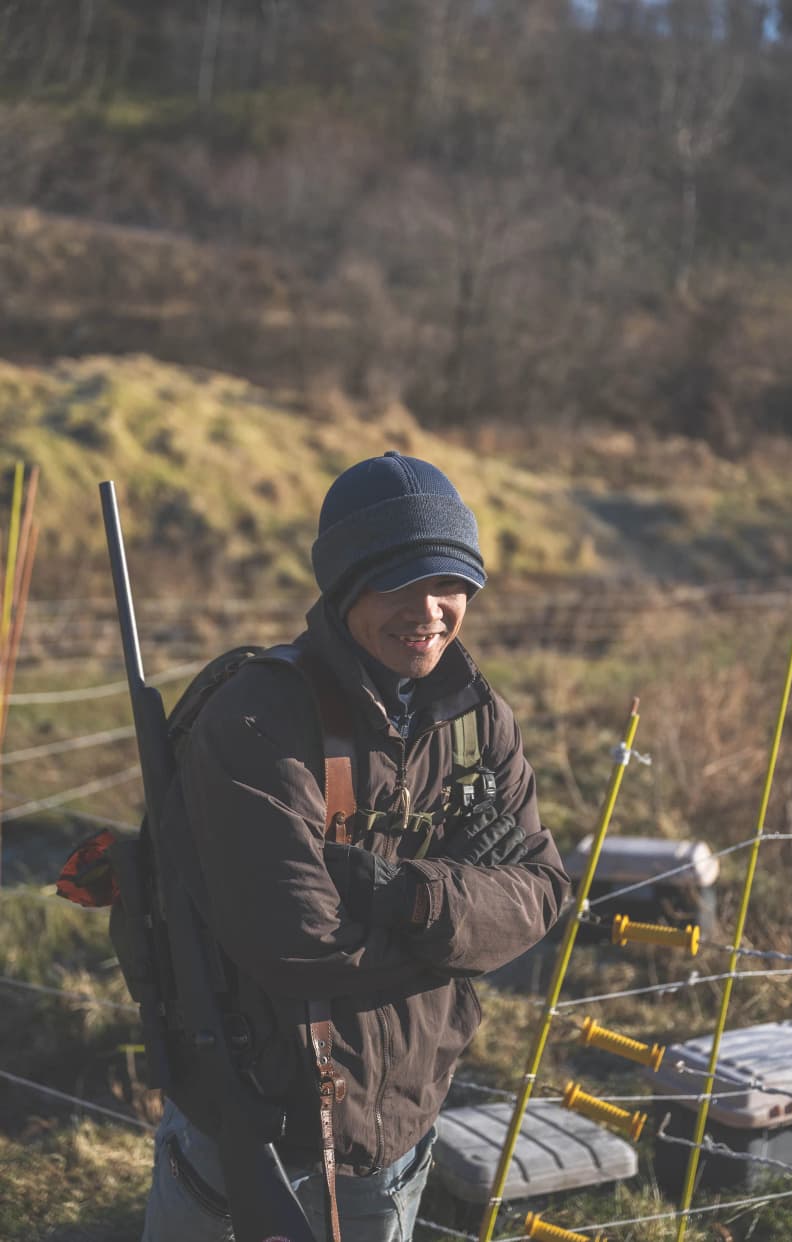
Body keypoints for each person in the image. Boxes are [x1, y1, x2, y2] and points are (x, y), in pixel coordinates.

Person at [141, 449, 570, 1242]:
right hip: (251, 1136)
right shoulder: (259, 720)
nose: (430, 609)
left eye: (451, 582)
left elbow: (544, 891)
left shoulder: (478, 722)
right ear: (341, 589)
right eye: (397, 581)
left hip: (402, 1135)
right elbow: (295, 943)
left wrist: (409, 896)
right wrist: (466, 930)